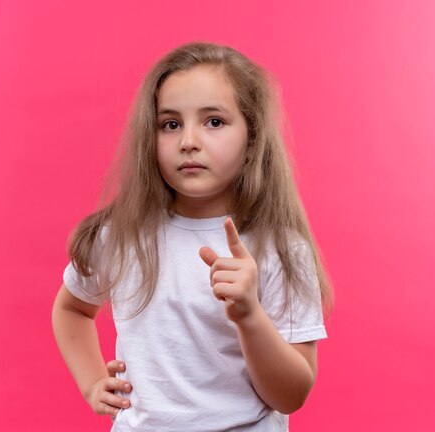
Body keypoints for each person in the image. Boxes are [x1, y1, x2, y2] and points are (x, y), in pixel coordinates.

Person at [51, 41, 333, 431]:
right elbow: (72, 308)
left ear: (252, 141)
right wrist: (93, 382)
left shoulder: (281, 250)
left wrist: (249, 316)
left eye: (213, 121)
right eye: (170, 124)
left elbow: (291, 396)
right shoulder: (122, 237)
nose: (188, 141)